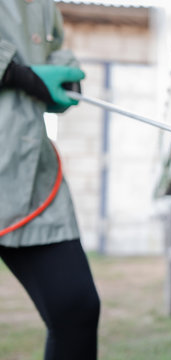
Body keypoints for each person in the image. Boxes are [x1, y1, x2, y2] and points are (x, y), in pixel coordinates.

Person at [0, 1, 100, 359]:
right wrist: (15, 73)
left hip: (30, 173)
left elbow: (51, 45)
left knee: (75, 308)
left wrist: (64, 72)